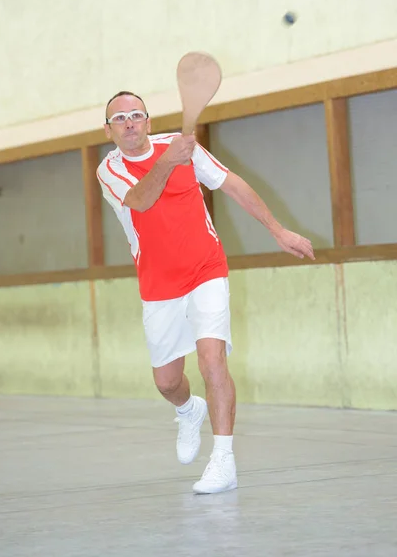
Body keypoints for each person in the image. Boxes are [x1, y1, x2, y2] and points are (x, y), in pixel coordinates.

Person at [97, 90, 315, 495]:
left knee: (212, 359)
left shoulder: (181, 149)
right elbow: (141, 200)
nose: (129, 122)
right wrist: (170, 160)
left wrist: (278, 230)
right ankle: (187, 408)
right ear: (108, 130)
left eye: (136, 115)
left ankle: (224, 460)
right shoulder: (108, 170)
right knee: (166, 381)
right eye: (120, 118)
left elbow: (231, 184)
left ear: (147, 120)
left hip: (206, 269)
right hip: (159, 284)